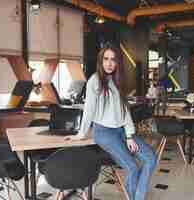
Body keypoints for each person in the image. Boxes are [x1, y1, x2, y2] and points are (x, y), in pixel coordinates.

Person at [65, 43, 157, 200]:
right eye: (106, 59)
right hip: (104, 133)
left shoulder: (116, 81)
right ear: (101, 61)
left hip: (121, 130)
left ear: (117, 63)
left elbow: (125, 111)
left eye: (113, 59)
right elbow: (89, 110)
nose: (109, 63)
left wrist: (129, 136)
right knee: (133, 168)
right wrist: (81, 134)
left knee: (150, 158)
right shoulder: (95, 80)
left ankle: (137, 196)